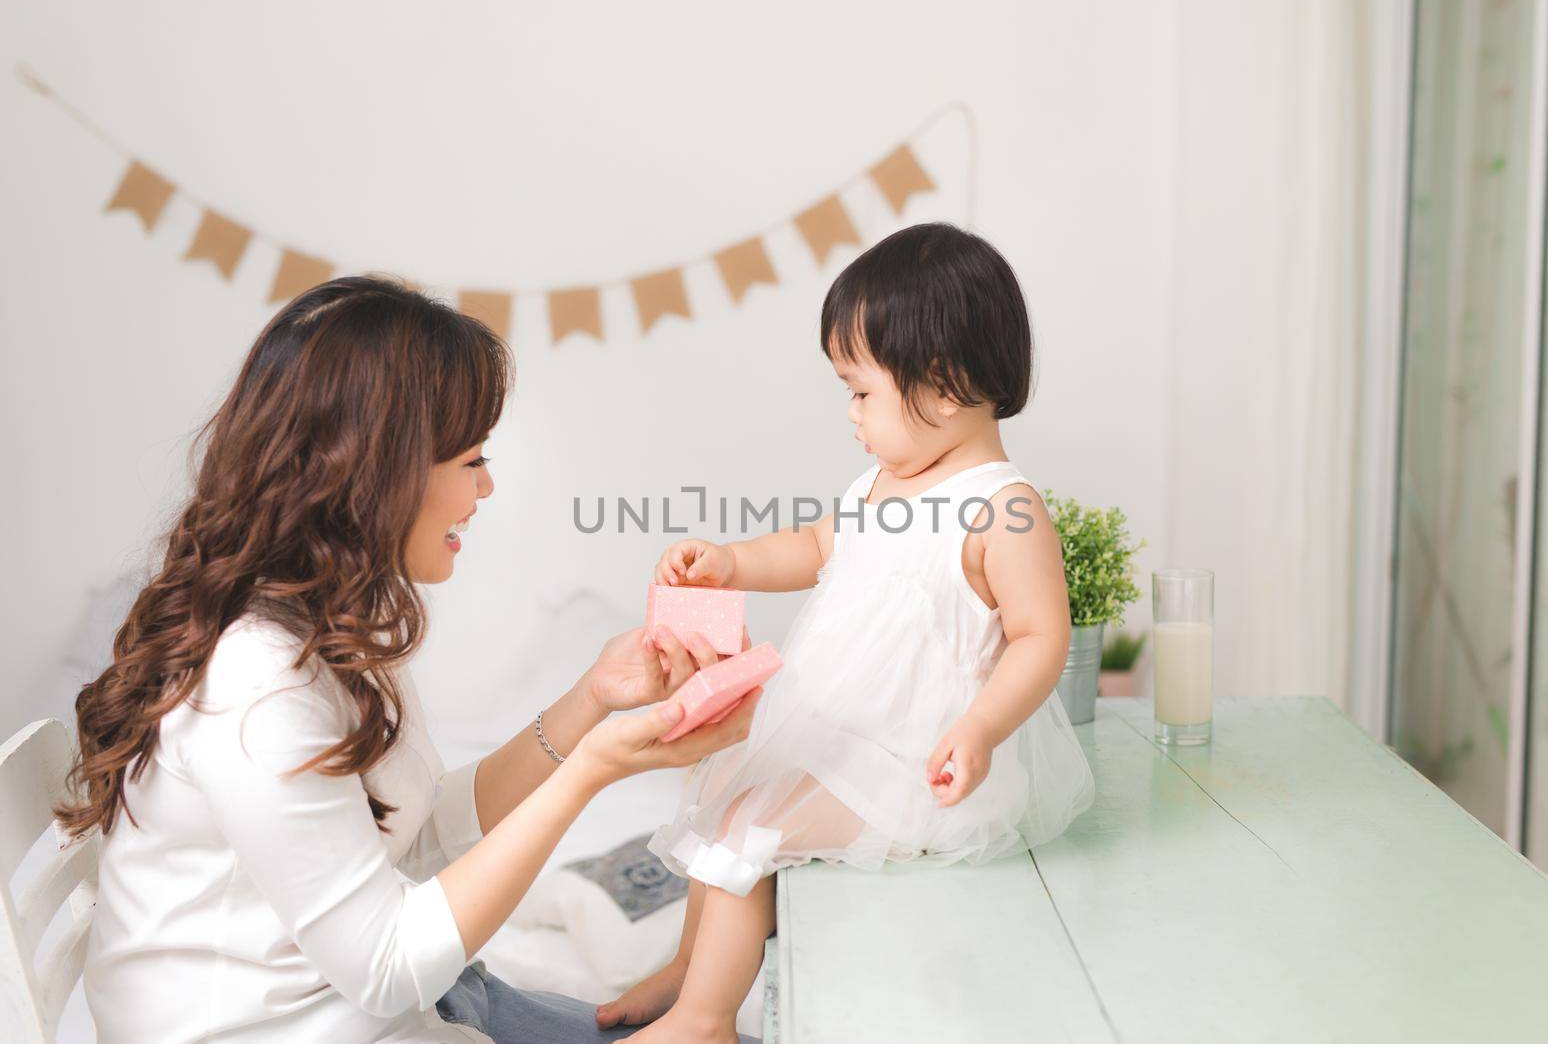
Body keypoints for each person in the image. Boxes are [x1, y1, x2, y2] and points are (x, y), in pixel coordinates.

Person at [58, 276, 764, 1043]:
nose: (486, 486)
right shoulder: (256, 682)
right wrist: (596, 768)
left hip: (408, 1007)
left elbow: (421, 835)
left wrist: (592, 697)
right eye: (470, 460)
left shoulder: (326, 622)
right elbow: (388, 962)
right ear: (380, 474)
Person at [598, 223, 1096, 1042]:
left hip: (920, 768)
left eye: (861, 392)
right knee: (729, 786)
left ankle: (706, 1020)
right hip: (852, 738)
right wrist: (730, 561)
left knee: (748, 828)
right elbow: (815, 547)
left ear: (942, 384)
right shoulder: (879, 484)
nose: (851, 414)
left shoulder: (1002, 509)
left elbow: (1041, 637)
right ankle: (692, 970)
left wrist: (979, 728)